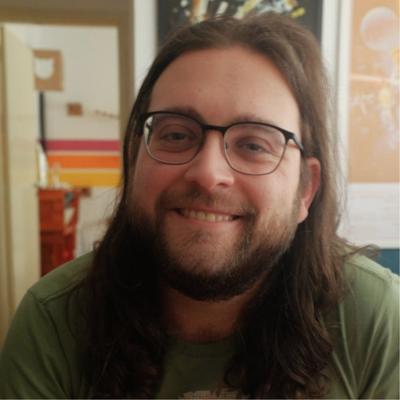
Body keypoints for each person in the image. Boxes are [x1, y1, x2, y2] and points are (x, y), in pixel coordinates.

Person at [0, 13, 398, 399]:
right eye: (176, 135)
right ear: (136, 160)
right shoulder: (54, 322)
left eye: (254, 144)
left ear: (305, 190)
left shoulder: (377, 319)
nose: (208, 173)